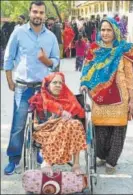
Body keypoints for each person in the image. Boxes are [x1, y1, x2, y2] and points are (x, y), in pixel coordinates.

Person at [4, 1, 60, 175]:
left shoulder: (51, 37)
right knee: (18, 125)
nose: (38, 15)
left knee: (43, 124)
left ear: (45, 15)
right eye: (35, 12)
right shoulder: (18, 32)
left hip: (43, 89)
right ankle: (14, 159)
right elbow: (8, 57)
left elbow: (56, 62)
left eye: (41, 12)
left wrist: (47, 61)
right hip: (22, 87)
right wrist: (9, 81)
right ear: (30, 13)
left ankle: (40, 155)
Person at [80, 17, 133, 174]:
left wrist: (132, 99)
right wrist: (84, 83)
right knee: (100, 131)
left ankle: (112, 161)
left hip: (121, 98)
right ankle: (102, 155)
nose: (105, 33)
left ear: (115, 31)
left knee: (118, 131)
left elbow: (130, 77)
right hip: (99, 97)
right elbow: (86, 71)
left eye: (109, 30)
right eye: (103, 29)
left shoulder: (124, 50)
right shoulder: (94, 50)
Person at [29, 72, 87, 176]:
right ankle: (47, 162)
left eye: (60, 83)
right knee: (67, 124)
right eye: (54, 82)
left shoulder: (69, 100)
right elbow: (35, 127)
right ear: (48, 85)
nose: (58, 85)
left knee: (76, 124)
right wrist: (50, 122)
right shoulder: (40, 100)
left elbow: (79, 116)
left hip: (68, 131)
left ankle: (76, 164)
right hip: (46, 131)